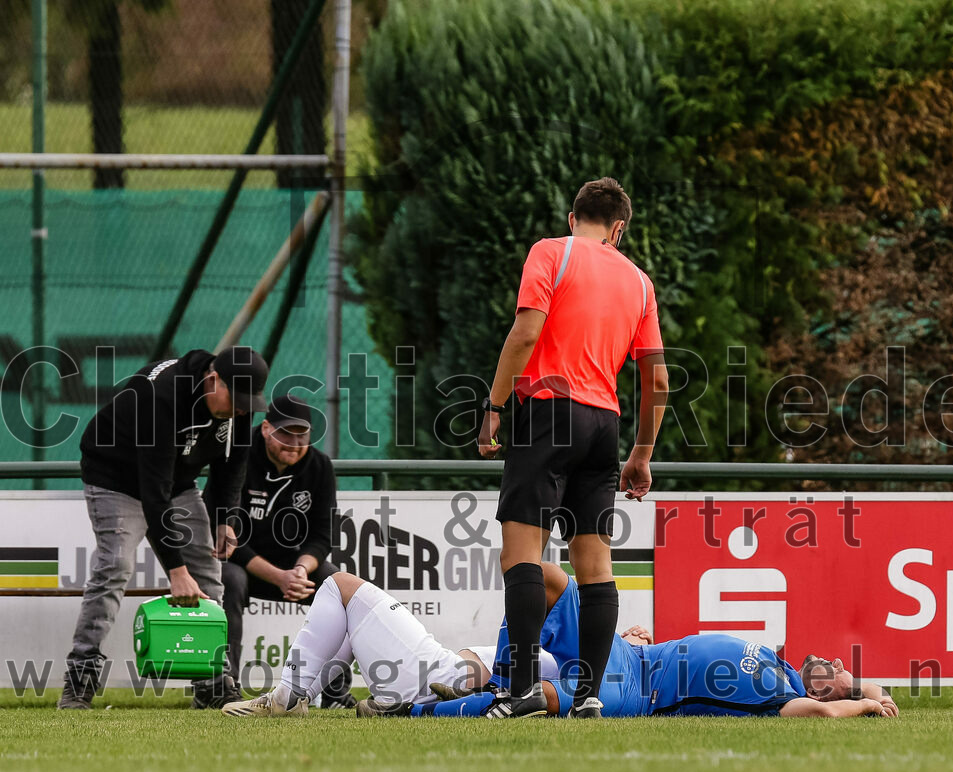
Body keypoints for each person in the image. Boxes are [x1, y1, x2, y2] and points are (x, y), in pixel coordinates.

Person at [477, 177, 669, 718]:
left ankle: (519, 693)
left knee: (521, 555)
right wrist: (642, 453)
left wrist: (494, 407)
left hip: (547, 410)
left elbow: (524, 334)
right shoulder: (638, 280)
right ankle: (588, 696)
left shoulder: (550, 253)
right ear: (619, 229)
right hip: (604, 424)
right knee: (595, 564)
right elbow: (658, 380)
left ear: (571, 218)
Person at [395, 565, 901, 720]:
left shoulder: (783, 699)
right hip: (629, 651)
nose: (834, 661)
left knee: (549, 702)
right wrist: (860, 692)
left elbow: (829, 714)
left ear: (832, 691)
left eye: (840, 670)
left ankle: (408, 713)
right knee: (542, 577)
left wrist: (865, 701)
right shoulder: (779, 664)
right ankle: (506, 682)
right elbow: (857, 694)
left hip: (636, 694)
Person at [59, 346, 268, 710]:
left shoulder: (238, 405)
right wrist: (176, 570)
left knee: (209, 576)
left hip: (177, 482)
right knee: (115, 566)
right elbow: (153, 494)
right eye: (237, 400)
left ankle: (212, 682)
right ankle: (79, 681)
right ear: (212, 378)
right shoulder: (162, 396)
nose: (241, 410)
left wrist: (225, 519)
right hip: (116, 479)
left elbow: (232, 465)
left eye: (249, 403)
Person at [218, 569, 563, 718]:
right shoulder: (597, 657)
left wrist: (438, 707)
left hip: (433, 680)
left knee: (340, 585)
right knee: (352, 621)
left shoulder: (606, 669)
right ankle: (295, 696)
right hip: (439, 676)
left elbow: (549, 697)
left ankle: (287, 696)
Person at [216, 394, 349, 708]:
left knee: (337, 588)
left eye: (301, 436)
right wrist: (278, 577)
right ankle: (223, 686)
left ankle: (333, 692)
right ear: (265, 429)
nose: (293, 443)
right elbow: (226, 538)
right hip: (246, 566)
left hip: (294, 569)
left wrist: (301, 570)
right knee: (227, 580)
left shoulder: (319, 465)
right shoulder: (238, 455)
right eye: (285, 434)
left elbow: (323, 535)